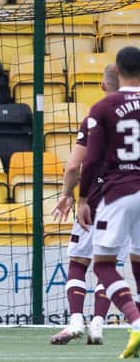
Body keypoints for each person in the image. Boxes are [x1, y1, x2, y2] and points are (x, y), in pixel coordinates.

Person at [50, 64, 126, 345]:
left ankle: (75, 322)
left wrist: (67, 194)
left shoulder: (95, 116)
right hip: (125, 201)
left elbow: (74, 167)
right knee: (108, 263)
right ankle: (98, 325)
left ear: (103, 87)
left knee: (79, 262)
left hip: (93, 200)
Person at [77, 46, 140, 359]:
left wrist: (83, 197)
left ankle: (137, 321)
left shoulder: (104, 107)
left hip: (119, 193)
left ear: (117, 70)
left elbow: (91, 160)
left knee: (103, 265)